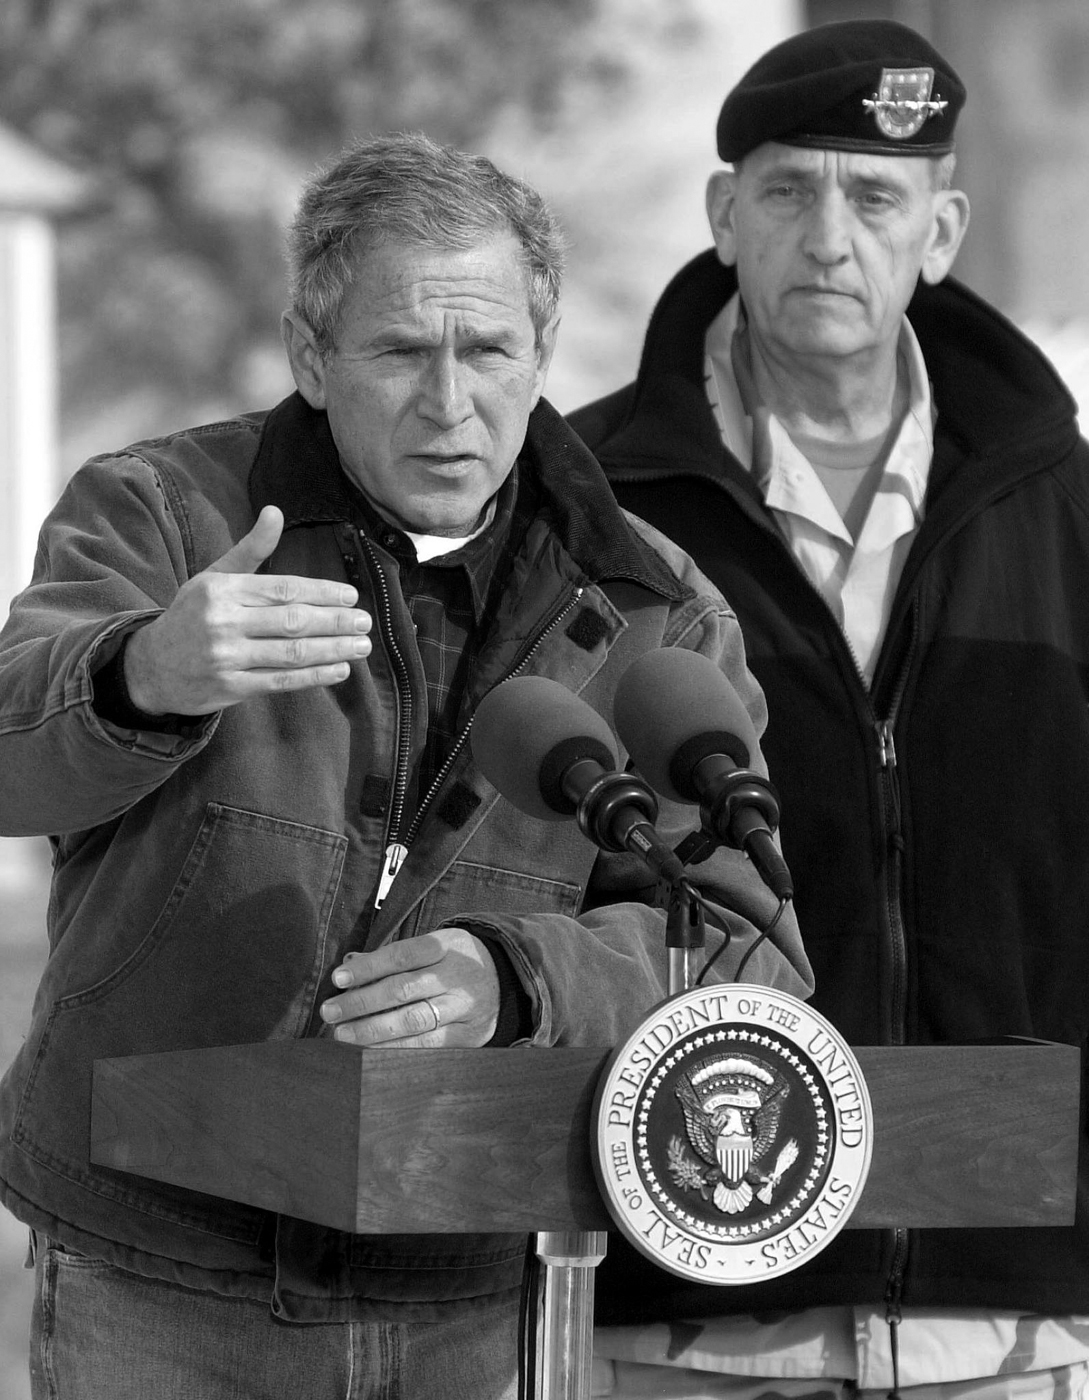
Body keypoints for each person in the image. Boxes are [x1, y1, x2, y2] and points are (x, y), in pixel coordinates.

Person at [0, 131, 811, 1400]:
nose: (450, 402)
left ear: (542, 350)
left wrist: (518, 975)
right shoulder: (163, 514)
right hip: (160, 1269)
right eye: (399, 351)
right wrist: (138, 673)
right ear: (311, 357)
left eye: (488, 350)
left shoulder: (660, 607)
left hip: (475, 1284)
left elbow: (744, 949)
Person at [570, 19, 1089, 1400]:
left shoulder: (1069, 512)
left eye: (875, 197)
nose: (829, 236)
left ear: (941, 230)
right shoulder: (588, 509)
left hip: (1013, 1315)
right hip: (683, 1307)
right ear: (721, 215)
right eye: (789, 190)